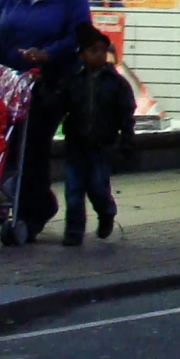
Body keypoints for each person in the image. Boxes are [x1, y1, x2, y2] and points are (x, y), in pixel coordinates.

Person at [0, 0, 92, 238]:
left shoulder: (71, 1)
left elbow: (77, 37)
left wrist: (48, 53)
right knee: (1, 141)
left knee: (32, 143)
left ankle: (31, 211)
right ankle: (9, 200)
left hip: (48, 82)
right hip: (8, 82)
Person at [58, 24, 134, 246]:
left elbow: (126, 114)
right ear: (82, 54)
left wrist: (127, 142)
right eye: (93, 51)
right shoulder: (74, 80)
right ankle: (74, 232)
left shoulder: (116, 83)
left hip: (102, 144)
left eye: (103, 50)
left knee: (98, 186)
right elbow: (61, 103)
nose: (99, 55)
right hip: (76, 142)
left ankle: (106, 212)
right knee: (73, 188)